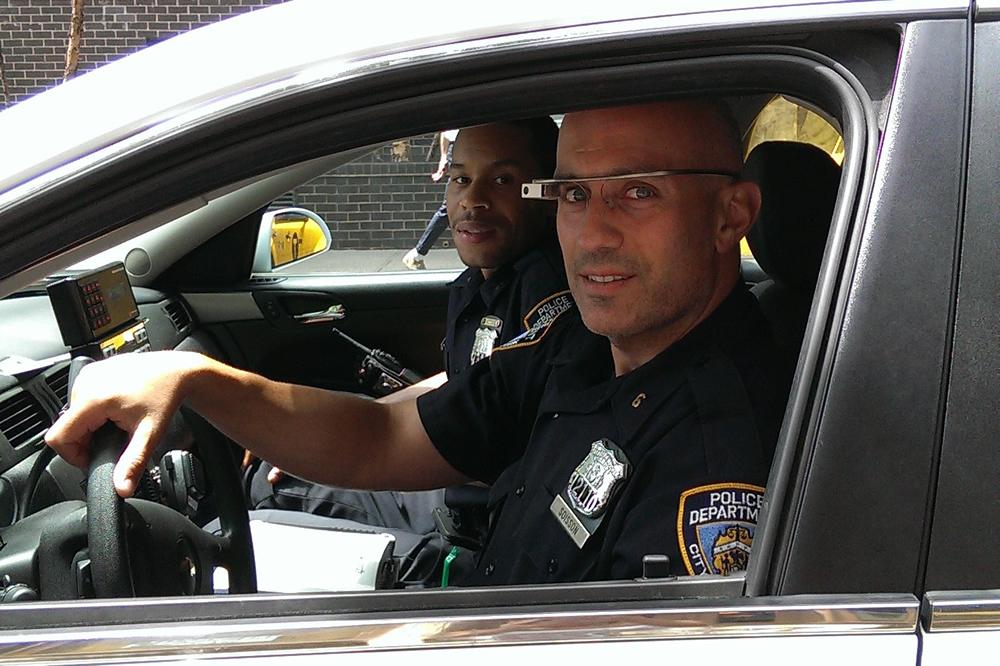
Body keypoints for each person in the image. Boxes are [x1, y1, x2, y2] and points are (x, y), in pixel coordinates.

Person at [47, 99, 785, 585]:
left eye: (638, 191)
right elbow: (385, 434)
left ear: (731, 215)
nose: (591, 234)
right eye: (571, 194)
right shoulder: (582, 347)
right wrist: (198, 380)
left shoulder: (714, 455)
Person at [248, 118, 566, 544]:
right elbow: (462, 382)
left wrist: (295, 432)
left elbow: (391, 437)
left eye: (503, 180)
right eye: (461, 178)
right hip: (453, 494)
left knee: (270, 496)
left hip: (480, 538)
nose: (473, 199)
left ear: (548, 195)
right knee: (277, 476)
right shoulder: (484, 283)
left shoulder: (547, 303)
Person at [402, 129, 459, 270]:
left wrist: (444, 156)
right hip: (463, 149)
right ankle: (417, 253)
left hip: (462, 149)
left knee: (451, 206)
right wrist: (444, 156)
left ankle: (417, 253)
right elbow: (447, 131)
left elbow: (446, 131)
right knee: (450, 206)